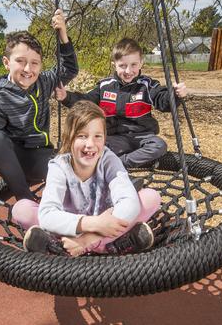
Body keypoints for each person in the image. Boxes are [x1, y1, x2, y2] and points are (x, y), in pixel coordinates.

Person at [11, 101, 161, 256]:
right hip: (70, 227)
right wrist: (94, 223)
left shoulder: (108, 159)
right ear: (70, 139)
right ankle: (110, 246)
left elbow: (129, 203)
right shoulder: (59, 166)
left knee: (150, 197)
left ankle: (67, 247)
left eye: (97, 136)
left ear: (104, 139)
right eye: (82, 136)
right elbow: (47, 215)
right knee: (21, 209)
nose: (90, 144)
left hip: (107, 225)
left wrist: (87, 240)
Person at [0, 9, 79, 201]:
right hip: (14, 160)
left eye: (34, 63)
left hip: (41, 156)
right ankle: (26, 200)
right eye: (20, 61)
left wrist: (63, 34)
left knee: (72, 166)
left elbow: (69, 68)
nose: (28, 69)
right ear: (6, 62)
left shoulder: (43, 82)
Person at [56, 38, 188, 168]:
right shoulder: (105, 86)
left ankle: (121, 163)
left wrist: (175, 95)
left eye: (133, 65)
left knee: (159, 145)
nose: (128, 71)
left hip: (143, 137)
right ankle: (110, 165)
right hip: (115, 138)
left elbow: (163, 101)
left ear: (141, 63)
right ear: (114, 64)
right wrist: (66, 97)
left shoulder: (147, 85)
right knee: (95, 146)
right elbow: (85, 102)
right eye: (122, 66)